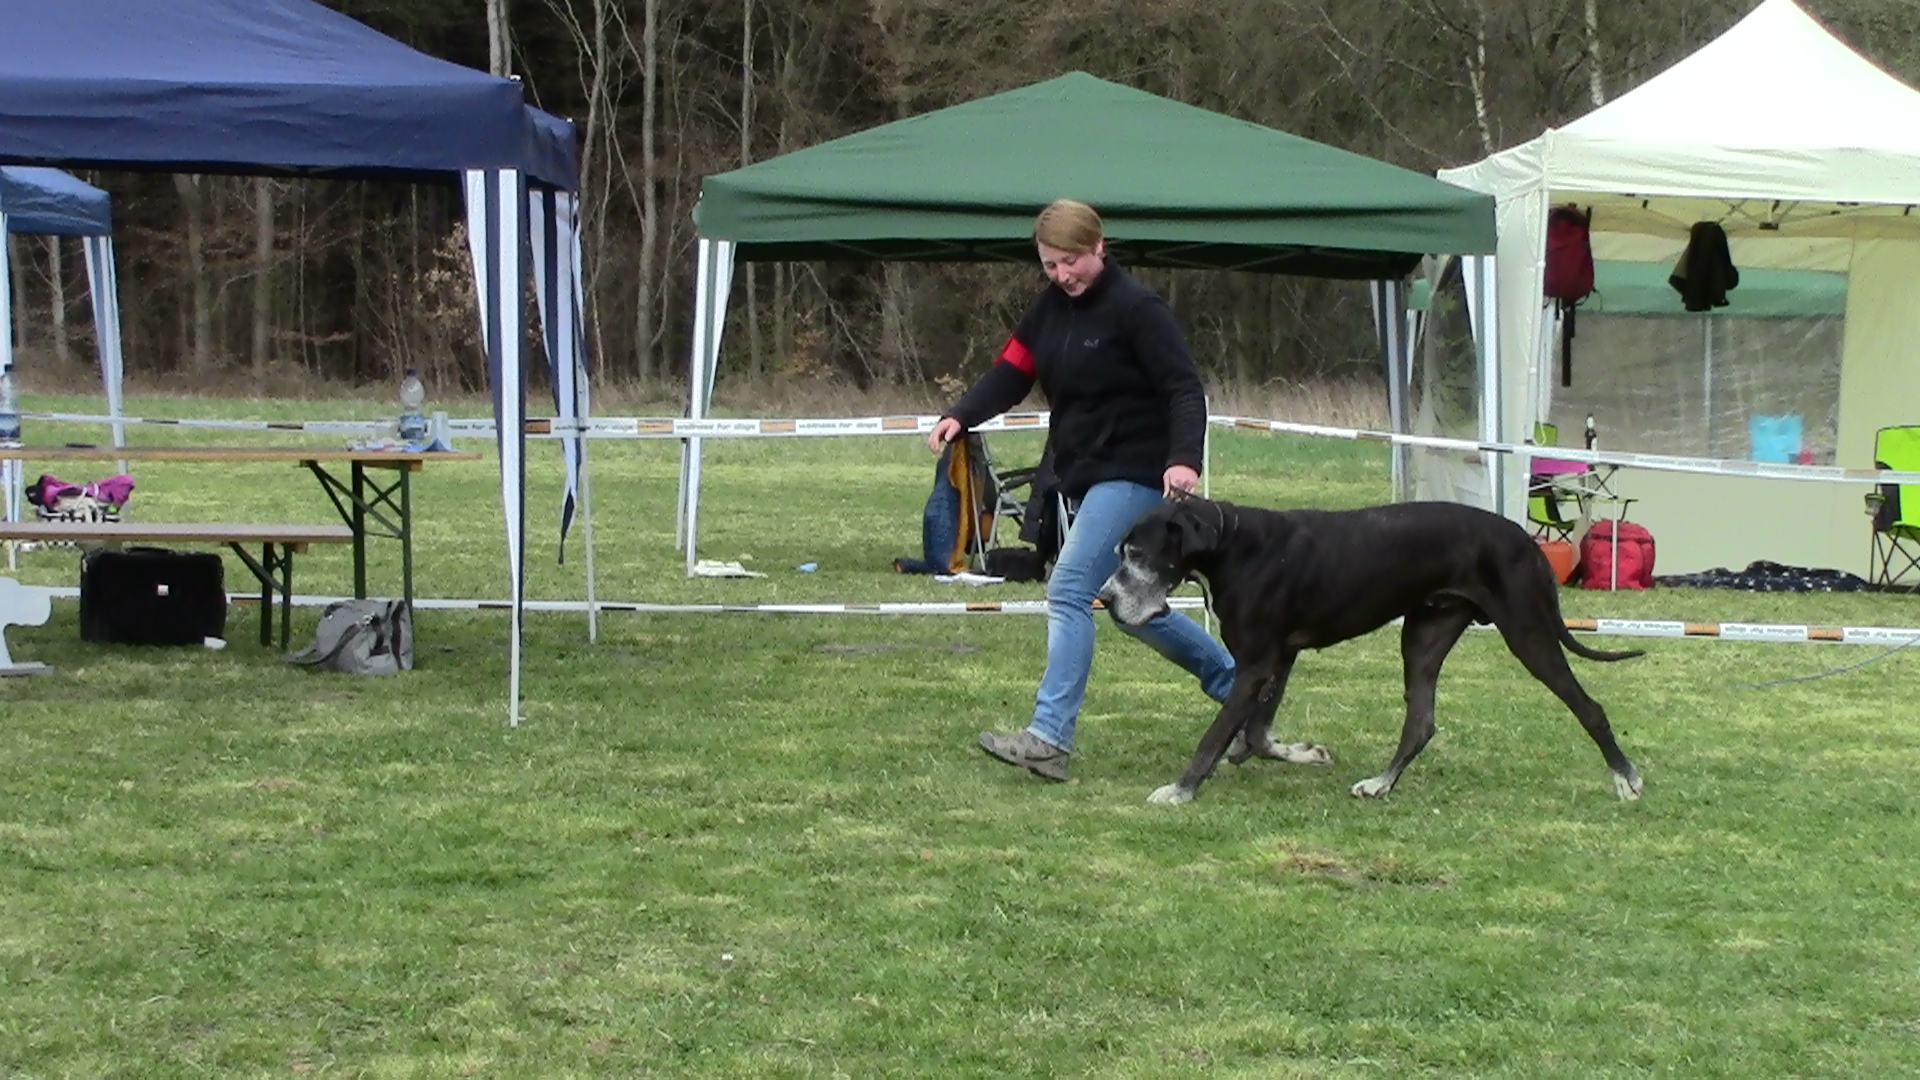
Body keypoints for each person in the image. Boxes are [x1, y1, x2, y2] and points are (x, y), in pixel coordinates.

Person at [927, 198, 1235, 782]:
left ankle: (1048, 739)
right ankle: (1243, 688)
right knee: (1128, 604)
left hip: (1138, 471)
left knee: (1068, 588)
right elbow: (1012, 372)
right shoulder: (1047, 313)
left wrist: (1183, 460)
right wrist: (962, 415)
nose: (1062, 275)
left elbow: (1184, 389)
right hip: (1084, 472)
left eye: (1071, 261)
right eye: (1049, 265)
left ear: (1100, 247)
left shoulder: (1139, 310)